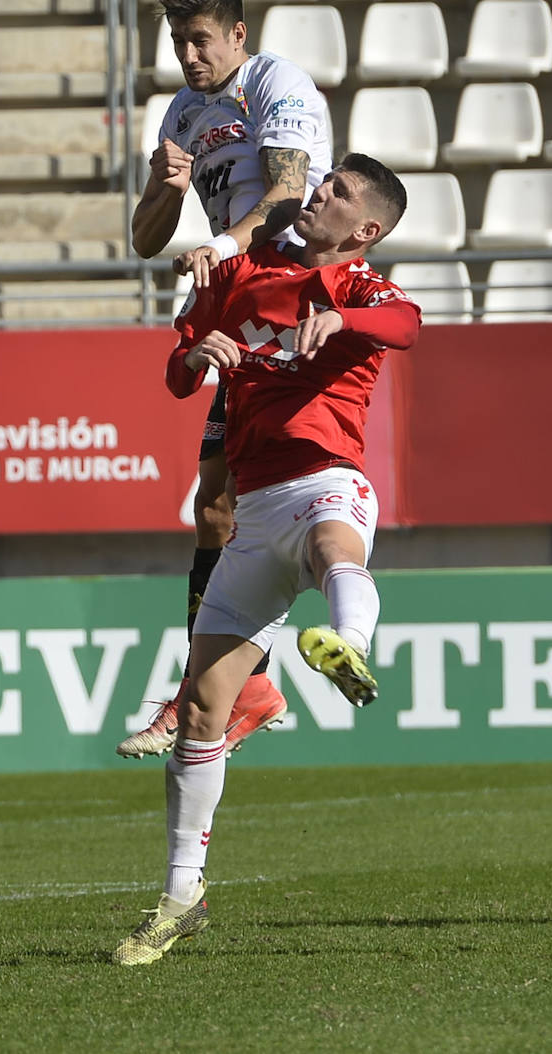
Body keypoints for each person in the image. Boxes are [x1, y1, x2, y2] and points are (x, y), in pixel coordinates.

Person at [113, 153, 420, 966]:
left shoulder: (361, 290)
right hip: (251, 513)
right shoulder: (241, 269)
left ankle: (348, 644)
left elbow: (410, 325)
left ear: (366, 231)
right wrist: (198, 352)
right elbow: (179, 375)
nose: (317, 193)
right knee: (203, 717)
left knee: (333, 547)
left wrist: (344, 321)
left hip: (327, 483)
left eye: (337, 194)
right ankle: (182, 897)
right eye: (323, 182)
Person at [120, 0, 332, 760]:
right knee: (215, 507)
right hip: (243, 313)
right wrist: (162, 187)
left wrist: (227, 242)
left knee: (253, 503)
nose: (188, 54)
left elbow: (289, 191)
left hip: (293, 304)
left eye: (201, 38)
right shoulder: (183, 112)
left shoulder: (276, 83)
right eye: (178, 41)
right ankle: (243, 684)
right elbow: (146, 239)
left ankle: (214, 689)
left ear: (238, 35)